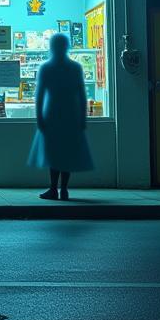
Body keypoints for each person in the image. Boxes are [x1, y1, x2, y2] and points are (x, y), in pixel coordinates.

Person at [27, 33, 94, 200]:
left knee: (54, 152)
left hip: (52, 112)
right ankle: (64, 189)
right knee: (67, 151)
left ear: (52, 47)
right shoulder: (75, 67)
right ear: (67, 46)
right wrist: (83, 118)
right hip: (71, 112)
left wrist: (39, 118)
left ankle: (53, 188)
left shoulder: (46, 67)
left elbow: (40, 95)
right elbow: (81, 94)